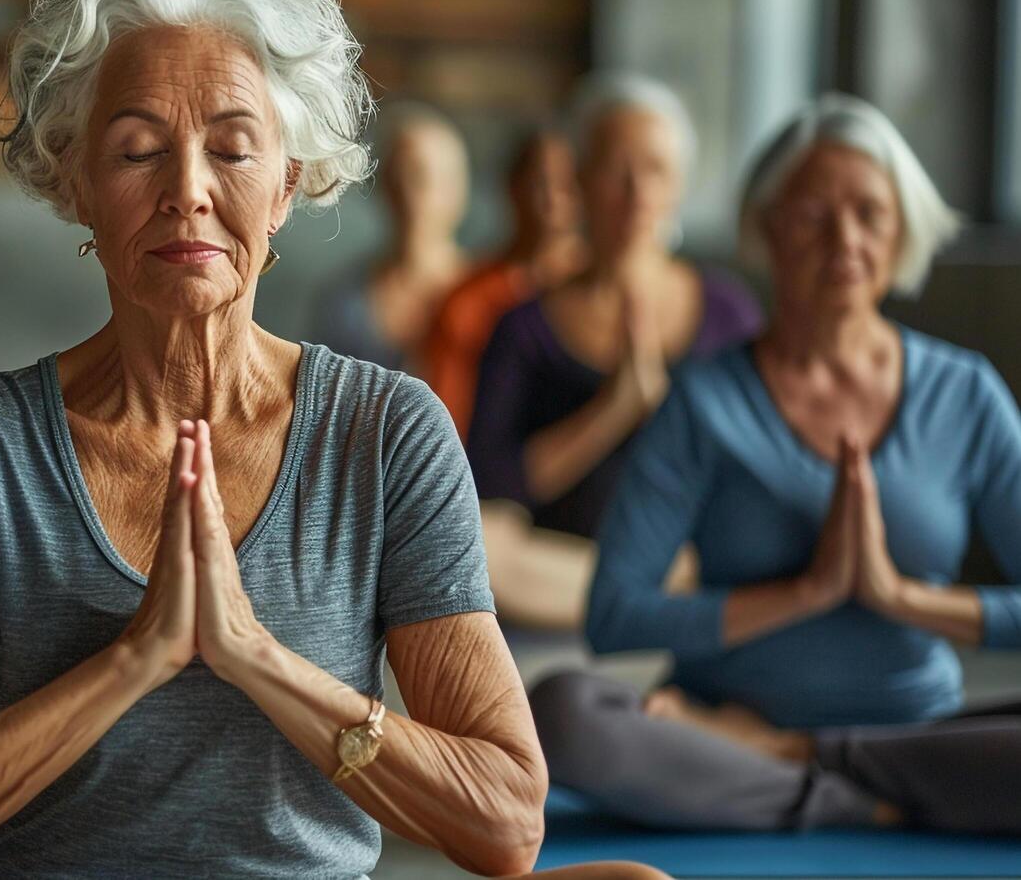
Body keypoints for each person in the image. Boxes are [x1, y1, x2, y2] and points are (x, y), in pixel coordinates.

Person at [0, 0, 662, 880]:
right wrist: (135, 658)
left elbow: (506, 822)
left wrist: (254, 655)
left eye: (232, 149)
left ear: (286, 186)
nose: (187, 191)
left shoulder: (385, 428)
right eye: (138, 151)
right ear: (78, 182)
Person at [530, 94, 1021, 835]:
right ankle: (862, 800)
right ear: (765, 227)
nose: (844, 240)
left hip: (912, 735)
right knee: (562, 713)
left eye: (868, 214)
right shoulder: (704, 402)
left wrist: (896, 597)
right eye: (813, 215)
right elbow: (613, 616)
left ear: (901, 232)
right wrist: (808, 591)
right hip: (717, 731)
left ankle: (797, 760)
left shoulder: (965, 392)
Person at [467, 74, 762, 630]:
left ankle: (644, 594)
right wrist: (614, 410)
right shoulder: (523, 326)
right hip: (558, 563)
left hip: (690, 556)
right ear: (578, 179)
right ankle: (637, 599)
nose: (636, 192)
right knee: (474, 544)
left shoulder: (727, 312)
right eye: (614, 170)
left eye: (655, 171)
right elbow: (491, 482)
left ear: (679, 185)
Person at [421, 130, 582, 439]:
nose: (550, 200)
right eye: (538, 182)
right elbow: (447, 417)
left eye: (565, 185)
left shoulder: (599, 294)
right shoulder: (467, 299)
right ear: (511, 187)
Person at [309, 103, 471, 369]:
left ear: (458, 190)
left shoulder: (490, 300)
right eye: (398, 176)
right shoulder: (344, 302)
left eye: (422, 177)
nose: (410, 194)